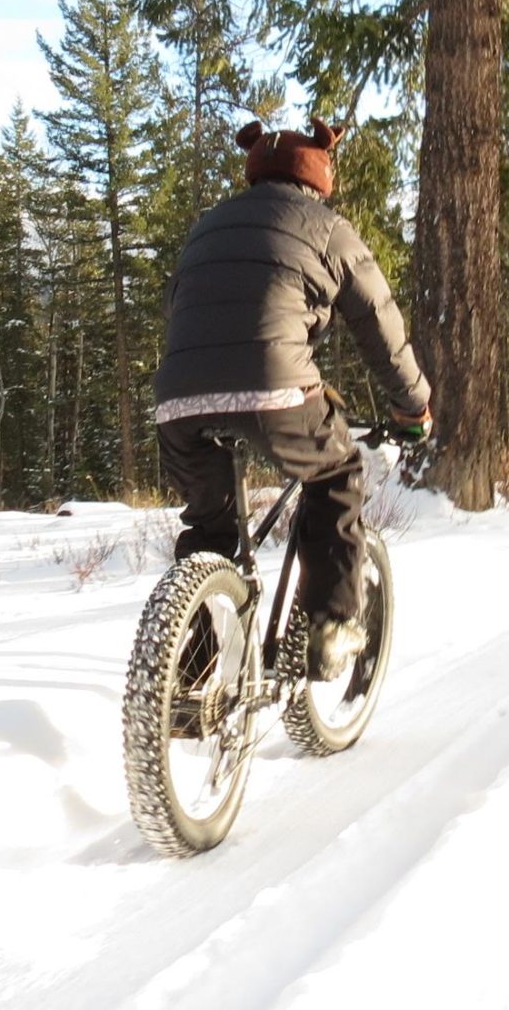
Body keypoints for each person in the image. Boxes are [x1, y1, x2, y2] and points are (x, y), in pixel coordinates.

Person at [152, 119, 430, 680]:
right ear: (320, 176)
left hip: (177, 398)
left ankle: (187, 677)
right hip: (275, 390)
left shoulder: (207, 228)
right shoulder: (327, 227)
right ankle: (329, 626)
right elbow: (379, 322)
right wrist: (412, 407)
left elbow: (183, 308)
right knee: (335, 476)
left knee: (211, 529)